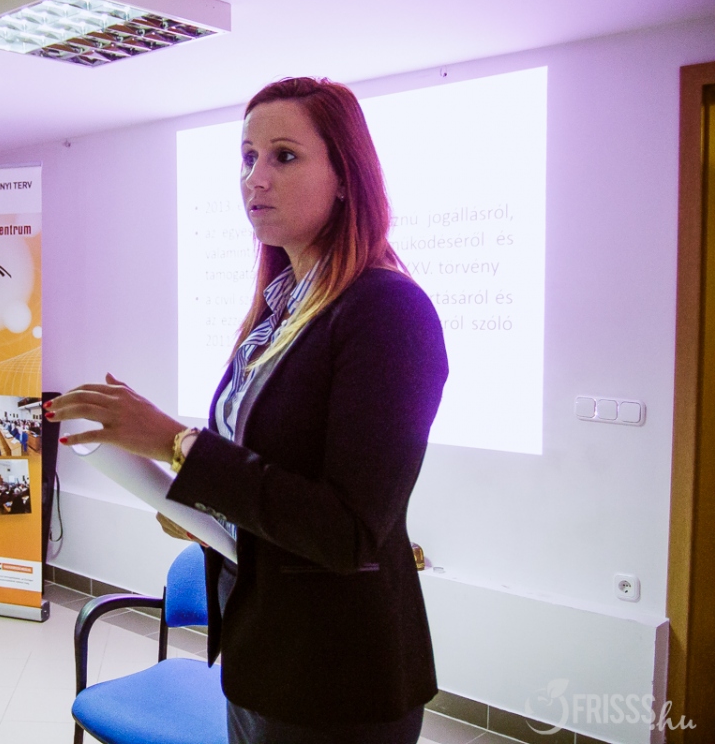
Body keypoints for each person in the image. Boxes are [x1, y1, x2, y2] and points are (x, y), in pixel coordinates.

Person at [47, 78, 448, 744]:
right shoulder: (278, 308)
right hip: (260, 647)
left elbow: (348, 531)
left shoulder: (388, 311)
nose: (255, 178)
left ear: (345, 178)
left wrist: (176, 443)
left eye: (284, 156)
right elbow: (268, 472)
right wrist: (199, 509)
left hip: (337, 675)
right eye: (247, 157)